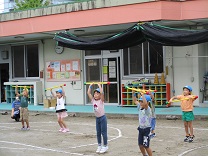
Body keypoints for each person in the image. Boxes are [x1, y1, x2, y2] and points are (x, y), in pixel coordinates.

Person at [87, 83, 108, 154]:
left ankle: (105, 145)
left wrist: (99, 85)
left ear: (100, 95)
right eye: (95, 93)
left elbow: (102, 93)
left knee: (103, 133)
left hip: (102, 118)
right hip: (97, 118)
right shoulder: (93, 100)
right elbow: (88, 93)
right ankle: (99, 145)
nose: (95, 95)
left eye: (97, 94)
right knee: (98, 133)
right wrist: (90, 85)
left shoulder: (101, 101)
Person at [132, 91, 152, 156]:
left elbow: (145, 104)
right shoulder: (140, 107)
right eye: (140, 101)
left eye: (142, 101)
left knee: (146, 146)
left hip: (147, 129)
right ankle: (144, 155)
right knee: (140, 145)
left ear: (148, 102)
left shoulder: (148, 109)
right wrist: (133, 93)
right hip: (141, 129)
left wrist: (143, 95)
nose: (140, 103)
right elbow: (135, 101)